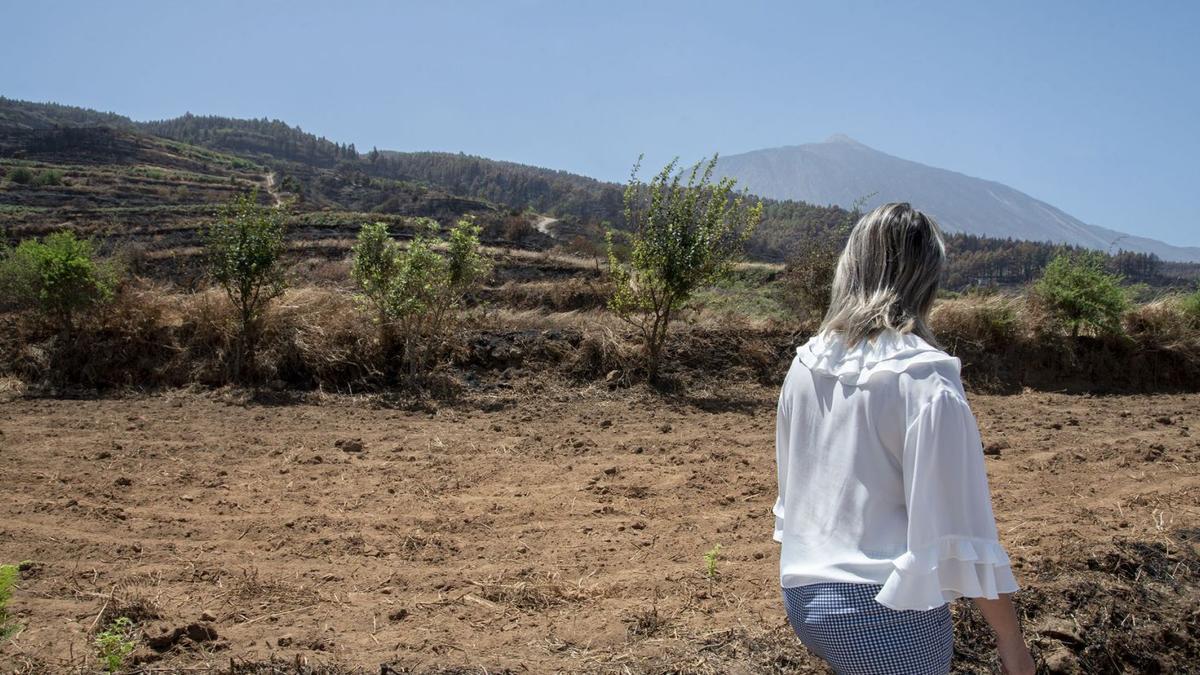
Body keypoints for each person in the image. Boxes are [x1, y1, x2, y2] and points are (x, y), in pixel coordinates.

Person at [774, 203, 1034, 675]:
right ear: (927, 276)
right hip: (885, 614)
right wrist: (1012, 643)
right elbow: (959, 531)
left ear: (850, 267)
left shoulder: (807, 363)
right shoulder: (925, 378)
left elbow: (794, 497)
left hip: (804, 600)